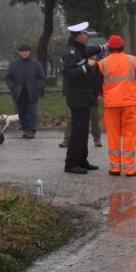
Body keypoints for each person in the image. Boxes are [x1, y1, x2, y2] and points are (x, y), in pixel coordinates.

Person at [98, 34, 136, 177]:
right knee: (129, 135)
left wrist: (102, 92)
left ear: (109, 49)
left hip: (111, 104)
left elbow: (96, 83)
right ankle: (130, 169)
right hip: (129, 103)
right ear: (122, 46)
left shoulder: (103, 63)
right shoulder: (133, 61)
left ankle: (115, 168)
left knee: (113, 136)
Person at [61, 21, 102, 174]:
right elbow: (69, 73)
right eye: (84, 34)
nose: (86, 36)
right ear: (78, 36)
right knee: (77, 131)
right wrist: (87, 66)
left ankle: (82, 160)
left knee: (83, 130)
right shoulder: (70, 52)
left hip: (84, 97)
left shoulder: (79, 49)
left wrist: (104, 47)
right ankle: (71, 163)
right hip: (77, 97)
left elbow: (89, 51)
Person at [5, 44, 46, 139]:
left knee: (32, 113)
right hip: (19, 93)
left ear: (29, 52)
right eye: (23, 51)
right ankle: (25, 129)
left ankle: (31, 131)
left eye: (27, 51)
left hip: (32, 93)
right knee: (22, 114)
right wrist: (13, 88)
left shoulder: (36, 63)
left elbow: (41, 78)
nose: (25, 52)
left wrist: (37, 88)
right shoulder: (14, 64)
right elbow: (8, 78)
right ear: (19, 52)